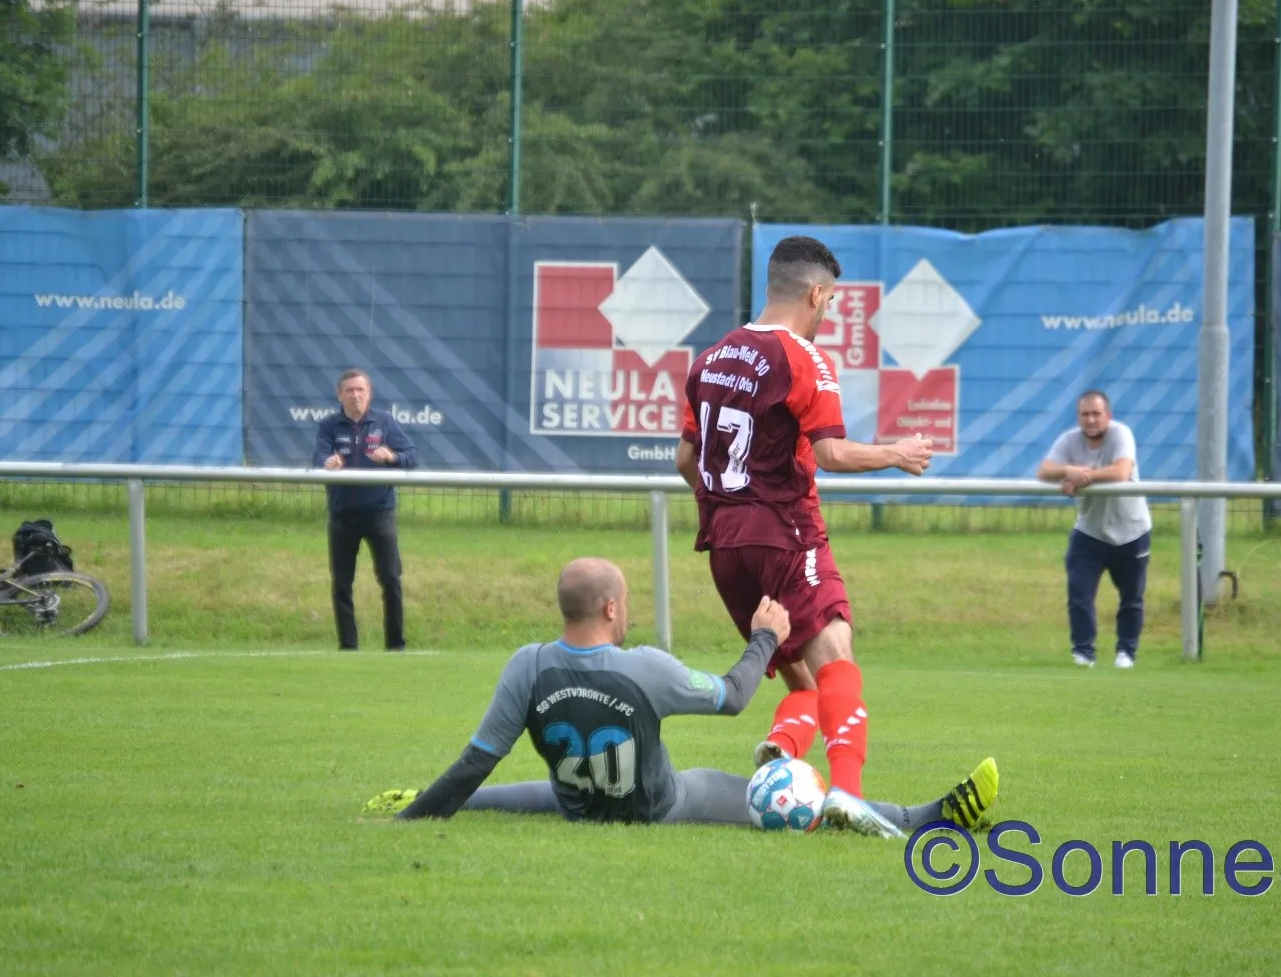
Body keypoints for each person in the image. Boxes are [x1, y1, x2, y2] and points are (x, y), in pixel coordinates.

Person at [369, 558, 999, 837]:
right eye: (626, 602)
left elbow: (477, 760)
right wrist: (764, 637)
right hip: (662, 807)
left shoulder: (526, 665)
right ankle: (929, 816)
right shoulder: (643, 667)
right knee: (788, 799)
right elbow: (733, 696)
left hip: (577, 805)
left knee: (507, 794)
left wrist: (418, 814)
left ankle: (412, 797)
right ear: (610, 608)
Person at [673, 235, 934, 806]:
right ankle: (848, 798)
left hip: (725, 549)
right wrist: (897, 452)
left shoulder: (710, 359)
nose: (829, 312)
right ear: (816, 293)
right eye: (831, 300)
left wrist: (729, 509)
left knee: (806, 680)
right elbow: (831, 453)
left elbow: (686, 460)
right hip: (786, 537)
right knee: (837, 654)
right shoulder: (804, 358)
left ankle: (783, 751)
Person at [1037, 389, 1153, 669]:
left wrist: (1082, 478)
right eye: (1084, 414)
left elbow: (1121, 472)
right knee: (1079, 595)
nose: (1090, 420)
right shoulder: (1069, 440)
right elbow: (1044, 471)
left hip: (1132, 532)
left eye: (1096, 414)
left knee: (1131, 598)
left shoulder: (1121, 434)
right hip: (1089, 533)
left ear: (1108, 415)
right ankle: (1083, 653)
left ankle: (1126, 653)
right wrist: (1068, 472)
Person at [312, 368, 418, 651]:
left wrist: (392, 456)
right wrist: (328, 463)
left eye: (360, 389)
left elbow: (412, 456)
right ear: (339, 395)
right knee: (342, 583)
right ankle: (348, 647)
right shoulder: (328, 426)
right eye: (349, 390)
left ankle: (395, 646)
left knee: (391, 579)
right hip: (342, 515)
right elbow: (319, 457)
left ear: (369, 393)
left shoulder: (385, 422)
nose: (355, 395)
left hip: (379, 513)